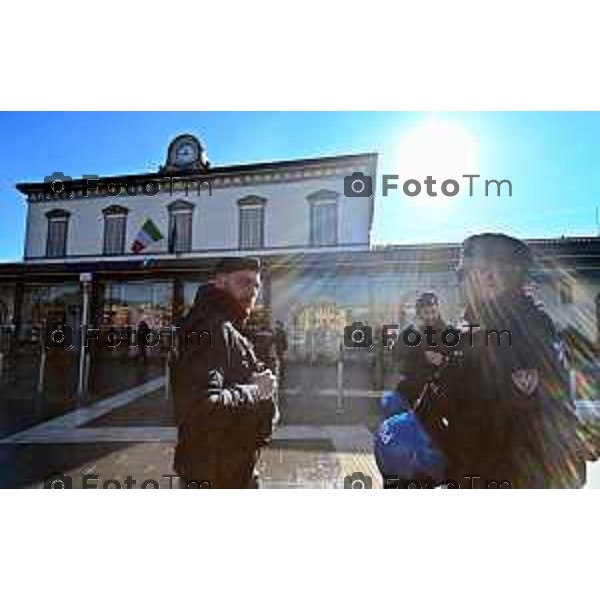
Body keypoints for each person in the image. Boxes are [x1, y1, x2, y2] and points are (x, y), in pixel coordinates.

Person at [420, 233, 593, 488]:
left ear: (491, 278)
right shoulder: (518, 324)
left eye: (463, 274)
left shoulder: (511, 335)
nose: (459, 282)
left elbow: (519, 435)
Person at [169, 256, 279, 488]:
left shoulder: (225, 326)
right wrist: (256, 391)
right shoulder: (210, 327)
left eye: (256, 285)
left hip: (229, 468)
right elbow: (201, 408)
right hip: (215, 474)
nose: (252, 291)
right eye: (244, 282)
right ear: (220, 283)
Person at [394, 292, 449, 407]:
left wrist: (443, 360)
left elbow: (459, 360)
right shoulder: (410, 332)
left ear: (438, 310)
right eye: (425, 313)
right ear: (419, 313)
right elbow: (397, 355)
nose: (430, 317)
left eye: (433, 312)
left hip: (440, 390)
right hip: (414, 388)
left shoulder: (448, 332)